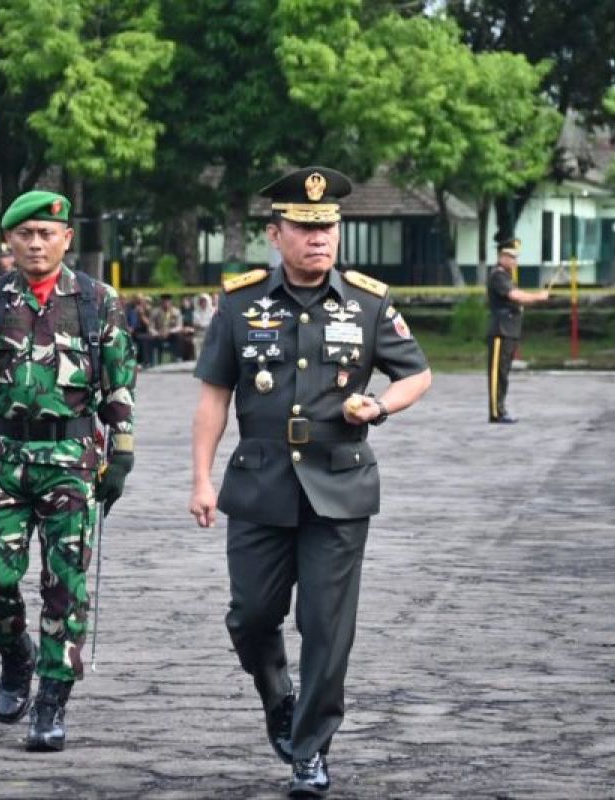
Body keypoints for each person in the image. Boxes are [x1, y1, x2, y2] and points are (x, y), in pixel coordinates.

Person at [189, 166, 431, 798]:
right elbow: (214, 398)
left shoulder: (368, 302)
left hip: (339, 484)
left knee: (327, 626)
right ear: (276, 233)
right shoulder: (241, 303)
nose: (318, 239)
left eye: (328, 227)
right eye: (303, 227)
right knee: (251, 615)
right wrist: (201, 480)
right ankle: (277, 693)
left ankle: (310, 748)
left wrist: (379, 406)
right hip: (261, 484)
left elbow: (417, 375)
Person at [0, 190, 137, 752]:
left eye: (48, 233)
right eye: (26, 234)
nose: (37, 243)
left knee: (65, 588)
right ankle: (15, 655)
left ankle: (52, 702)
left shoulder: (96, 300)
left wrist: (123, 450)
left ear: (67, 239)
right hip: (4, 462)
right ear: (9, 241)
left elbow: (118, 378)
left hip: (71, 462)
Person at [486, 237, 549, 423]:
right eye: (511, 256)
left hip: (510, 329)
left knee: (504, 372)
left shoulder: (506, 276)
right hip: (500, 329)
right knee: (498, 373)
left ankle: (500, 408)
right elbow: (514, 295)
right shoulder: (498, 275)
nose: (514, 261)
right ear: (501, 256)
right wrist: (538, 297)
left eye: (515, 257)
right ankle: (496, 412)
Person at [150, 293, 183, 363]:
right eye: (164, 301)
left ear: (171, 302)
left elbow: (179, 326)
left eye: (168, 301)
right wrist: (157, 333)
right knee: (149, 339)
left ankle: (178, 358)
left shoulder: (176, 312)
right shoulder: (155, 312)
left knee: (178, 337)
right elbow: (151, 327)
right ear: (161, 302)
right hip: (159, 334)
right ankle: (150, 361)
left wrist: (170, 331)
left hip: (171, 334)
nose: (166, 303)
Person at [192, 292, 216, 359]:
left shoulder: (213, 311)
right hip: (199, 335)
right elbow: (196, 324)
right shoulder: (195, 312)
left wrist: (203, 325)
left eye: (204, 301)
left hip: (211, 334)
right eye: (201, 301)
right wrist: (205, 324)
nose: (203, 303)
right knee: (196, 341)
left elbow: (213, 323)